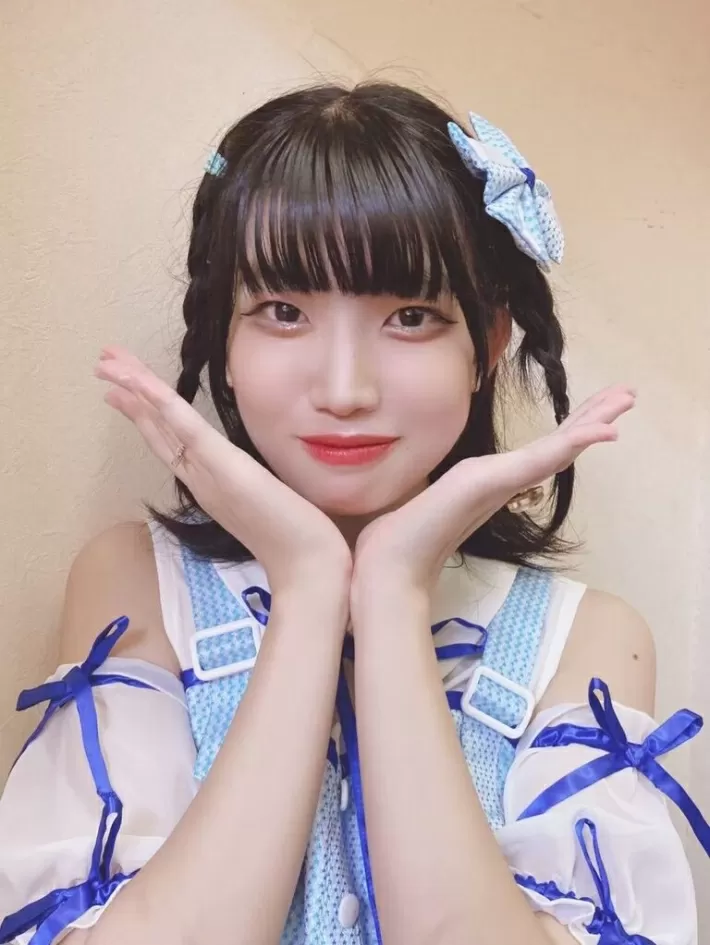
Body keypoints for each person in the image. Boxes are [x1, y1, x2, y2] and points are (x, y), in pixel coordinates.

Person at [0, 81, 707, 945]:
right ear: (225, 336)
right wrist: (306, 585)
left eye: (409, 316)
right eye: (284, 312)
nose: (345, 390)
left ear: (487, 345)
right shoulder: (136, 584)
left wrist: (396, 591)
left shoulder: (584, 641)